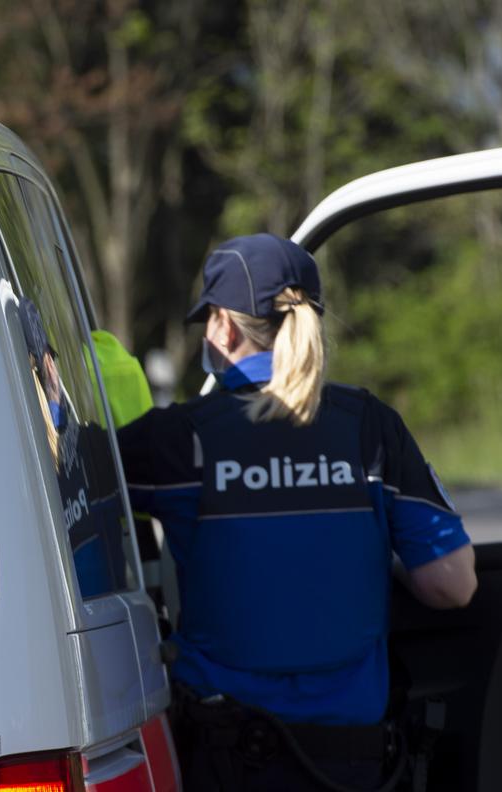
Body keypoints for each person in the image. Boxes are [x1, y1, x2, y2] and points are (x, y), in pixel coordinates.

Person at [117, 234, 477, 791]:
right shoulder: (369, 427)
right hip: (353, 764)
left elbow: (62, 498)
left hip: (226, 757)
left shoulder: (180, 440)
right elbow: (453, 584)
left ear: (225, 328)